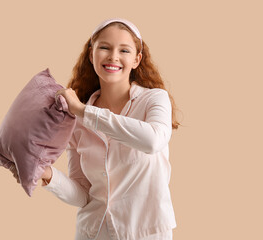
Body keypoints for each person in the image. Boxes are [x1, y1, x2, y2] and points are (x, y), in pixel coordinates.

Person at [14, 18, 180, 240]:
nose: (113, 56)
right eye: (104, 47)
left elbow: (152, 141)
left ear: (136, 59)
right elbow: (83, 194)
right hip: (92, 233)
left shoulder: (154, 100)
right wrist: (47, 175)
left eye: (124, 50)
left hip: (146, 234)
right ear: (91, 54)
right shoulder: (77, 119)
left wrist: (84, 112)